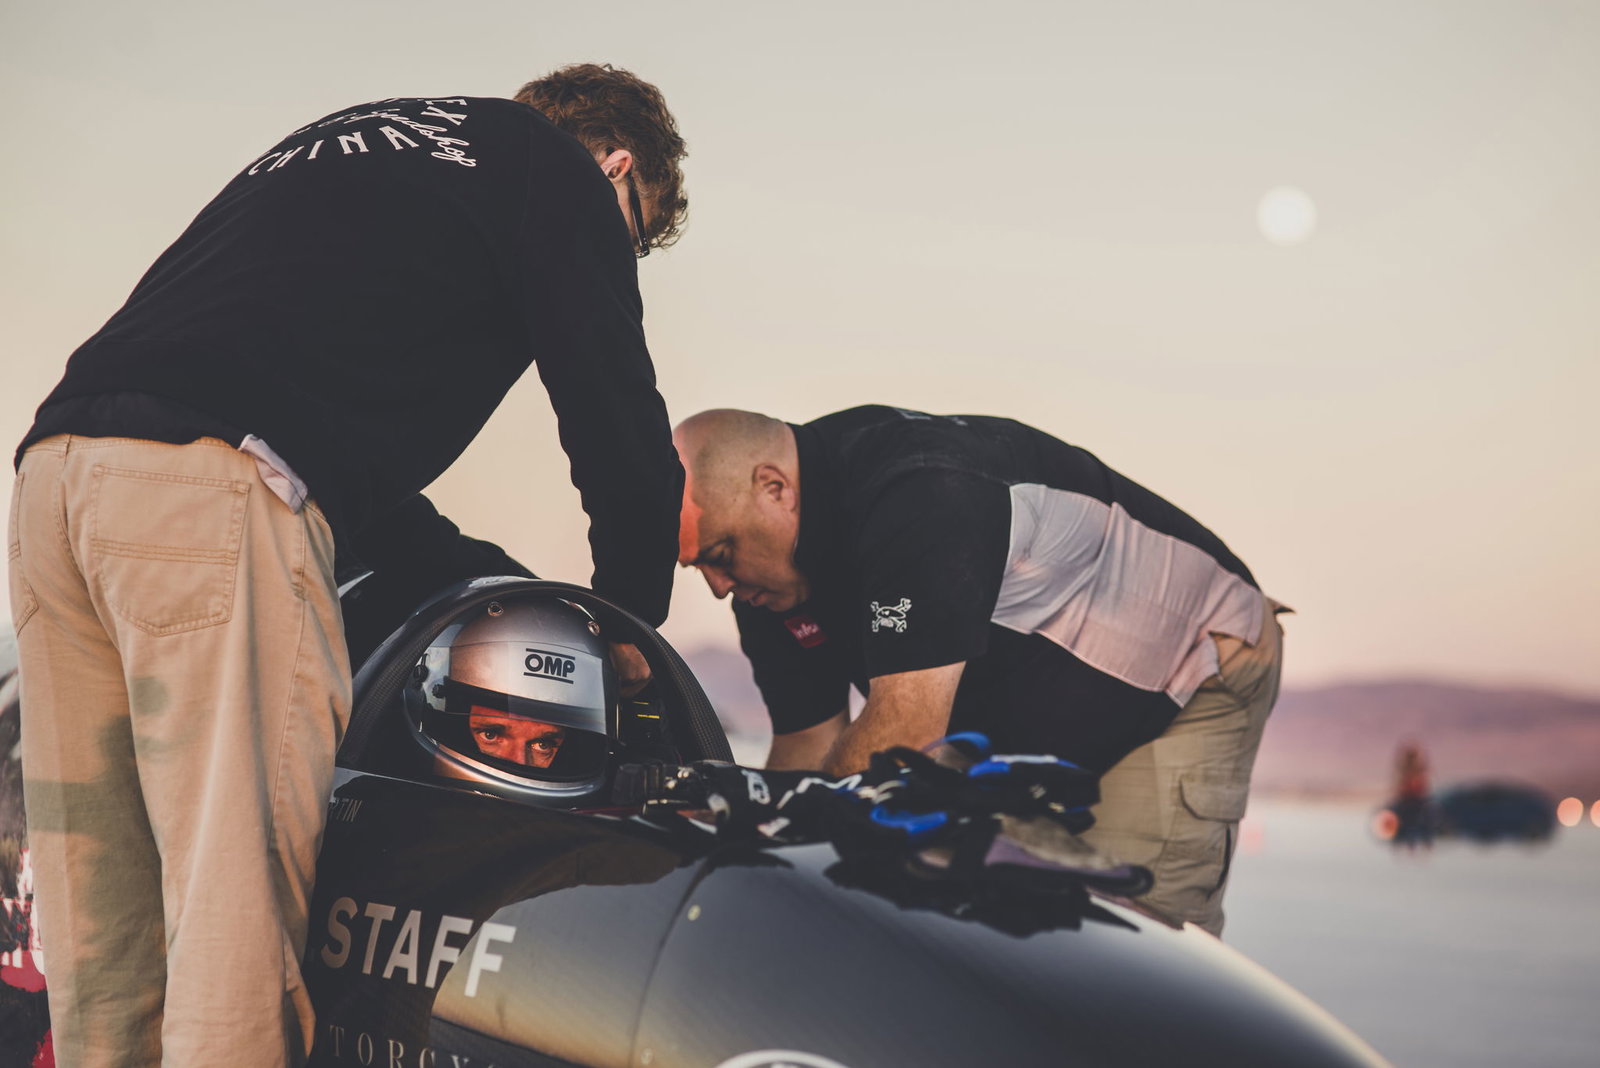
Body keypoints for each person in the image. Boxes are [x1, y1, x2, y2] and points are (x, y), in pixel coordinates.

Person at [6, 63, 687, 1066]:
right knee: (232, 908)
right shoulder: (555, 171)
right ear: (617, 165)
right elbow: (616, 417)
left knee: (101, 922)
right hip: (214, 494)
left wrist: (487, 574)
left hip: (55, 487)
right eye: (632, 232)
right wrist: (629, 620)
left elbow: (347, 470)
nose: (615, 256)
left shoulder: (363, 142)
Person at [674, 405, 1287, 934]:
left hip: (1191, 663)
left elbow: (903, 735)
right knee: (966, 915)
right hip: (1022, 710)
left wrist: (771, 836)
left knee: (1127, 938)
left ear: (774, 487)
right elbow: (810, 748)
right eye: (700, 566)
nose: (719, 587)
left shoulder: (922, 493)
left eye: (721, 555)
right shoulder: (768, 582)